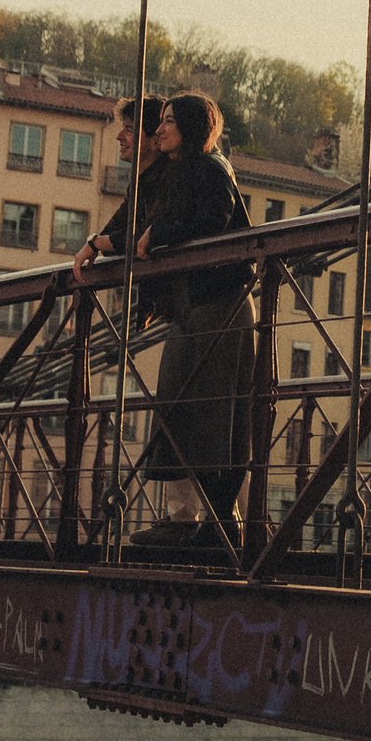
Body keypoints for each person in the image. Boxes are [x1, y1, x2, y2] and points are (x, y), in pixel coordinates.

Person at [131, 91, 255, 549]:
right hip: (196, 305)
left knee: (212, 412)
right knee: (179, 407)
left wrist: (158, 234)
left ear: (191, 127)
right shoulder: (183, 172)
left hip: (221, 304)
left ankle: (221, 524)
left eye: (169, 121)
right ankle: (191, 521)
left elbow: (213, 221)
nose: (159, 128)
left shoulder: (210, 167)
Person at [72, 95, 169, 286]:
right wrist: (95, 243)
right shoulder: (144, 177)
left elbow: (142, 236)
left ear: (155, 139)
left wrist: (97, 243)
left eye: (130, 130)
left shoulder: (167, 179)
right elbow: (122, 221)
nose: (119, 136)